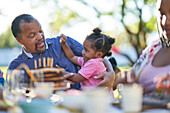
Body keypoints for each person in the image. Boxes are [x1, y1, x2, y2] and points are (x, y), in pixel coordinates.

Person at [8, 14, 115, 90]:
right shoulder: (16, 66)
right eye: (32, 35)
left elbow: (97, 56)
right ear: (19, 41)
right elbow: (16, 96)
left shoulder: (62, 43)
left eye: (40, 31)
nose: (40, 37)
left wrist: (111, 72)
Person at [115, 0, 170, 95]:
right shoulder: (154, 47)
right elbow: (131, 77)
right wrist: (123, 79)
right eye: (162, 14)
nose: (166, 22)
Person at [60, 27, 115, 95]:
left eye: (86, 50)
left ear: (98, 54)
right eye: (83, 48)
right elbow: (72, 57)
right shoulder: (86, 60)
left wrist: (62, 72)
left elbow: (77, 78)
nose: (82, 52)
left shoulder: (94, 63)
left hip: (102, 98)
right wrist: (64, 44)